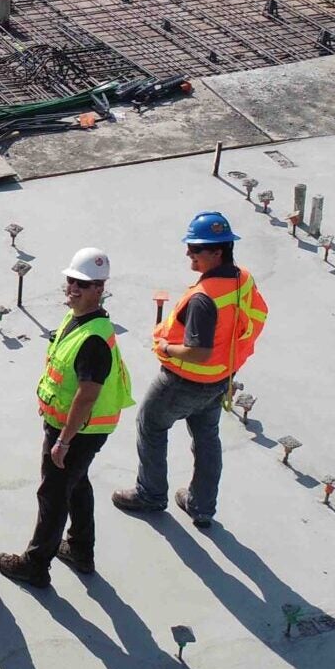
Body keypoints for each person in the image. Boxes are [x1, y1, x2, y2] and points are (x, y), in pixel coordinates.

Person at [114, 212, 269, 529]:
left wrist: (165, 348)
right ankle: (202, 505)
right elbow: (248, 322)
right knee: (207, 438)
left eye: (196, 248)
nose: (189, 253)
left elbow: (198, 351)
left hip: (184, 382)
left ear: (217, 252)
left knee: (151, 425)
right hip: (220, 378)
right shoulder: (242, 279)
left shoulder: (203, 299)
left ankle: (150, 494)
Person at [0, 248, 134, 586]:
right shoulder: (78, 320)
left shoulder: (93, 340)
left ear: (99, 289)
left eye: (83, 284)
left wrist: (63, 440)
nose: (73, 288)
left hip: (76, 431)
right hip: (75, 429)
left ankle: (35, 564)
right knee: (76, 484)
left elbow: (87, 395)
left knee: (53, 494)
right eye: (71, 281)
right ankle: (80, 549)